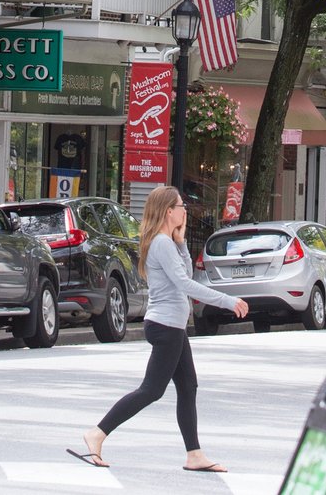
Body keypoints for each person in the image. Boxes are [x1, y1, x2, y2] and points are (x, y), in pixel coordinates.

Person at [70, 185, 247, 472]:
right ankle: (97, 433)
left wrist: (181, 240)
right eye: (181, 206)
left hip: (172, 326)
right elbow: (185, 284)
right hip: (165, 327)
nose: (185, 210)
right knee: (151, 390)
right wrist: (227, 301)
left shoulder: (167, 242)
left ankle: (194, 454)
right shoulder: (161, 244)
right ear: (168, 211)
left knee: (188, 387)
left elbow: (184, 274)